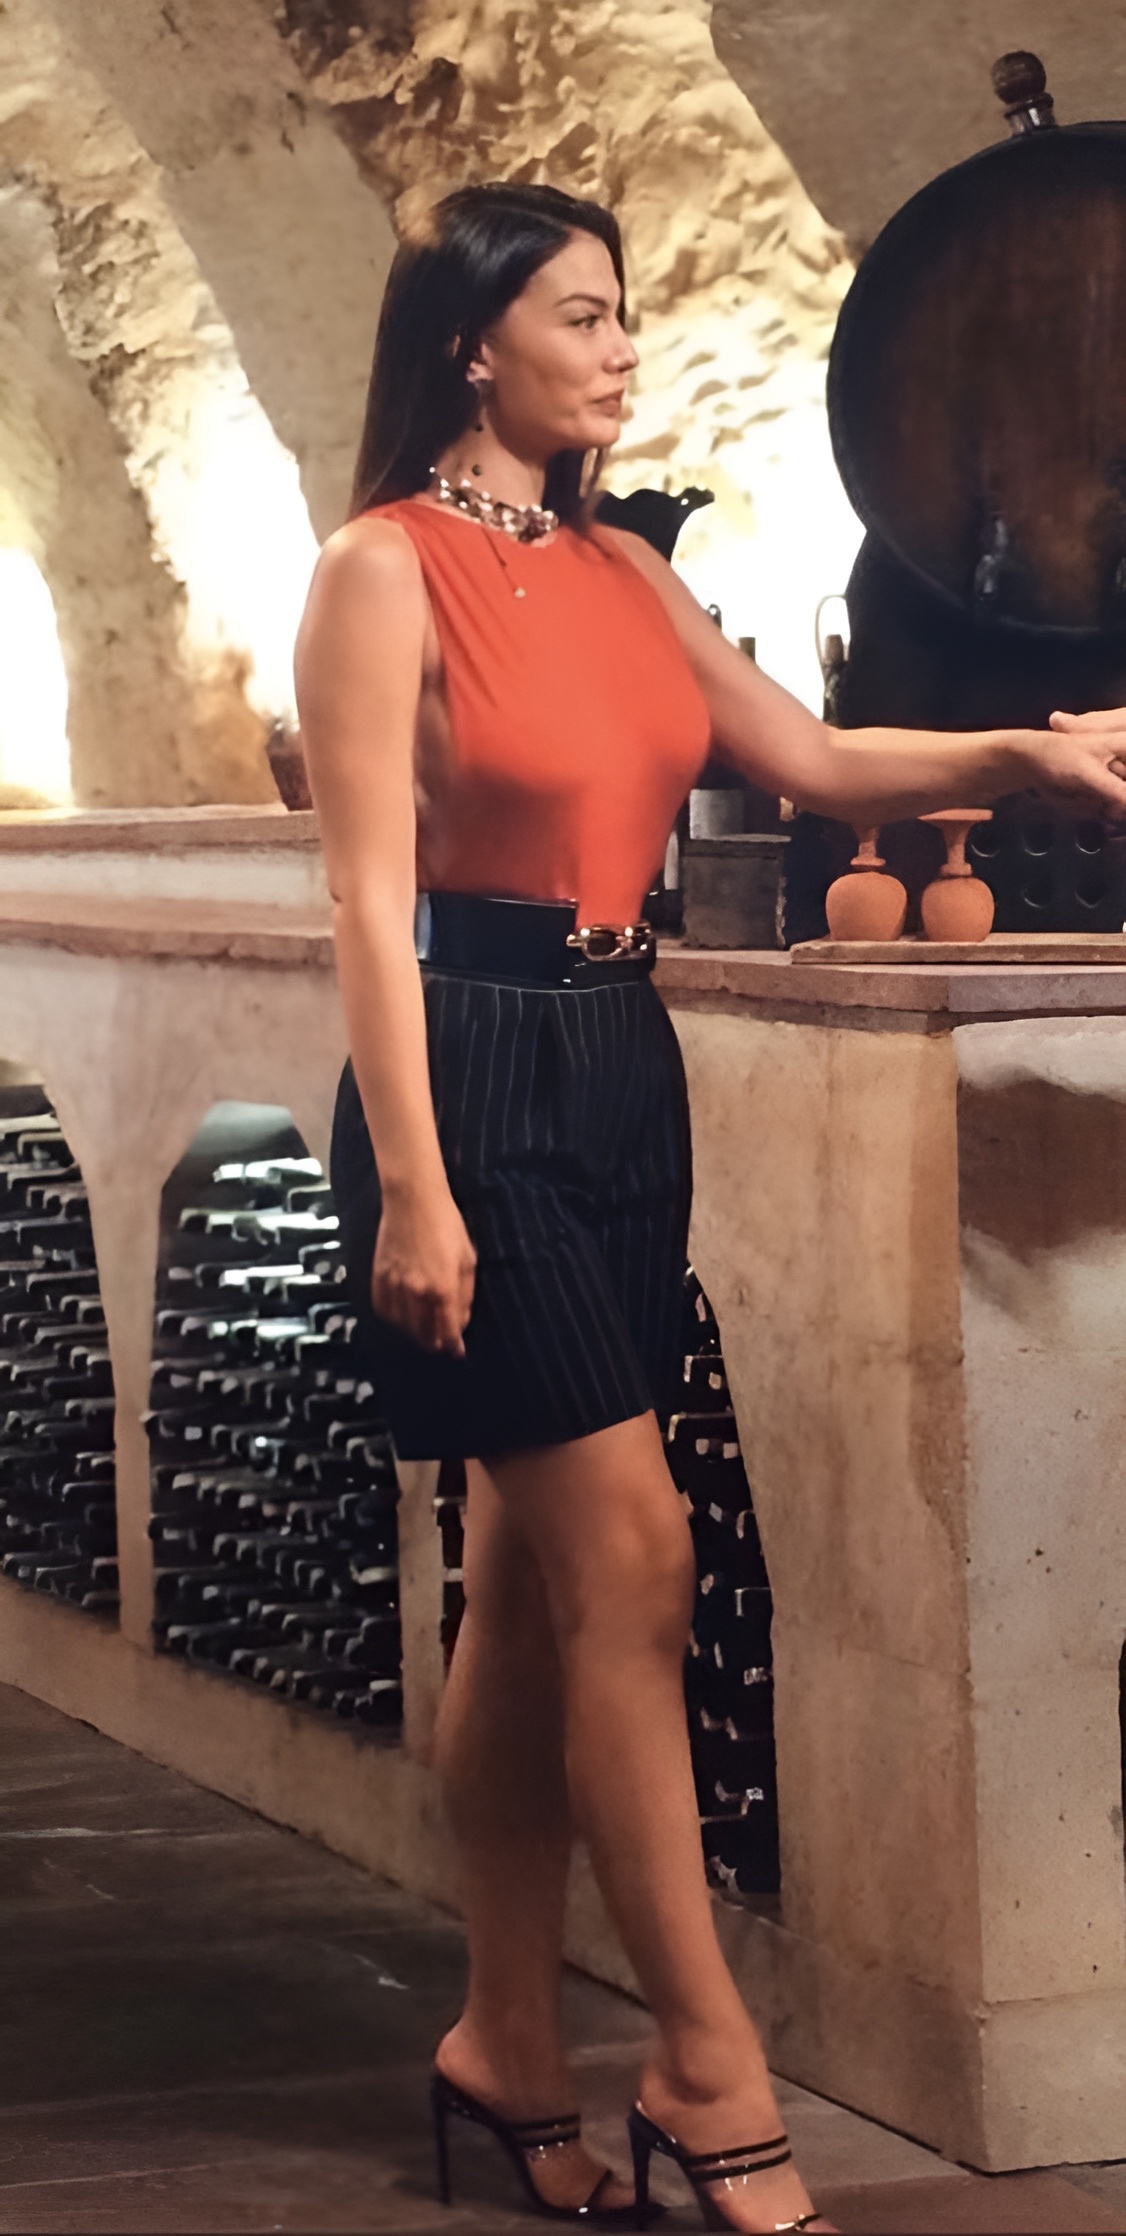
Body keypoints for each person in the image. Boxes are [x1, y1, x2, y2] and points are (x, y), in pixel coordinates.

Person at [295, 182, 1126, 2236]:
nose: (620, 347)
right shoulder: (376, 569)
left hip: (617, 1059)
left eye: (622, 313)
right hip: (468, 1072)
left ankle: (504, 2039)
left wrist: (1031, 751)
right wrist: (414, 1182)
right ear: (472, 342)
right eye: (581, 314)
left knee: (527, 1581)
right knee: (639, 1558)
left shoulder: (621, 572)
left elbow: (813, 759)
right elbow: (367, 905)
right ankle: (703, 2061)